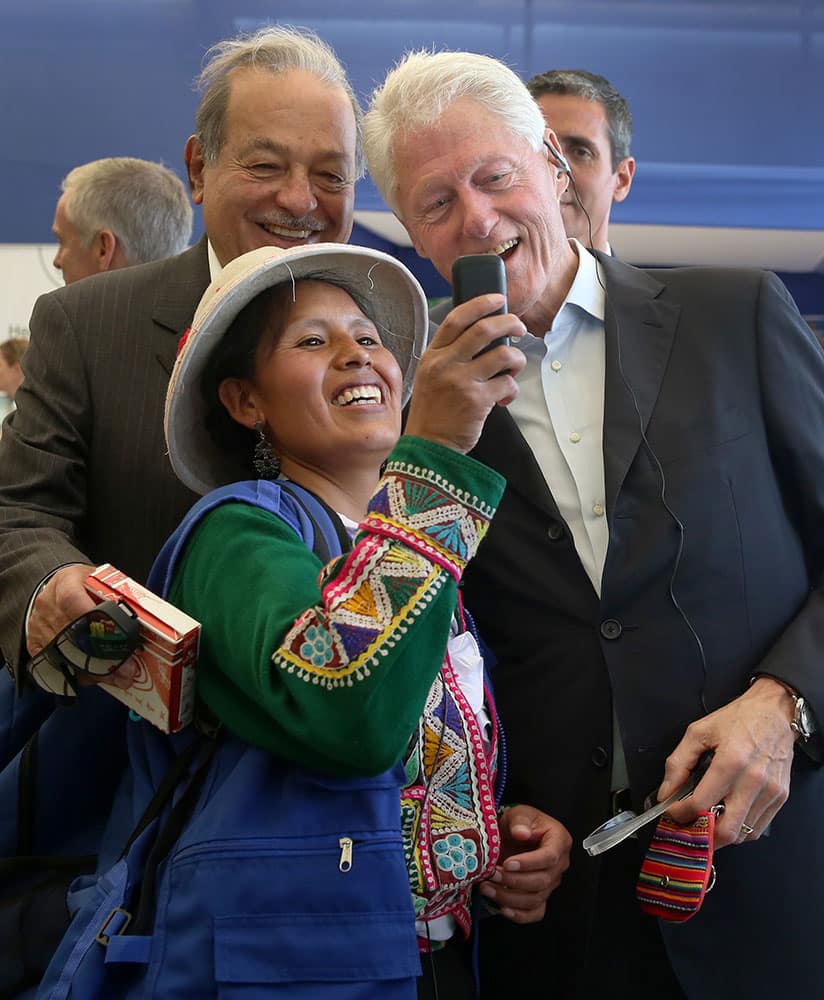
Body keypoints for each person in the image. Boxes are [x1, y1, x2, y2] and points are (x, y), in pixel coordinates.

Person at [363, 50, 824, 999]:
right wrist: (498, 814)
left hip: (770, 869)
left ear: (554, 166)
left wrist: (788, 702)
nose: (479, 220)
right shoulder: (412, 411)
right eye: (436, 204)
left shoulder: (728, 314)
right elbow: (431, 660)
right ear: (410, 231)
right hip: (563, 906)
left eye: (495, 178)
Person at [38, 242, 567, 999]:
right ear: (245, 402)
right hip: (293, 971)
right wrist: (441, 450)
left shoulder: (414, 546)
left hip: (427, 964)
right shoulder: (238, 533)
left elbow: (394, 748)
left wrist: (495, 831)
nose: (356, 353)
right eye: (313, 340)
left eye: (371, 337)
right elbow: (344, 708)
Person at [0, 24, 362, 684]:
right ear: (199, 168)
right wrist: (54, 585)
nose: (300, 199)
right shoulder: (88, 324)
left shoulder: (390, 349)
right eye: (266, 165)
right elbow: (20, 514)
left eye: (330, 174)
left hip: (343, 768)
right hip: (140, 760)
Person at [526, 69, 634, 254]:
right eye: (539, 149)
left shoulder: (689, 284)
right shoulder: (472, 282)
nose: (555, 171)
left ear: (622, 180)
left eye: (580, 152)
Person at [52, 157, 193, 284]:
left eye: (62, 242)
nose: (56, 262)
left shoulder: (53, 310)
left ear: (103, 249)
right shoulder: (202, 311)